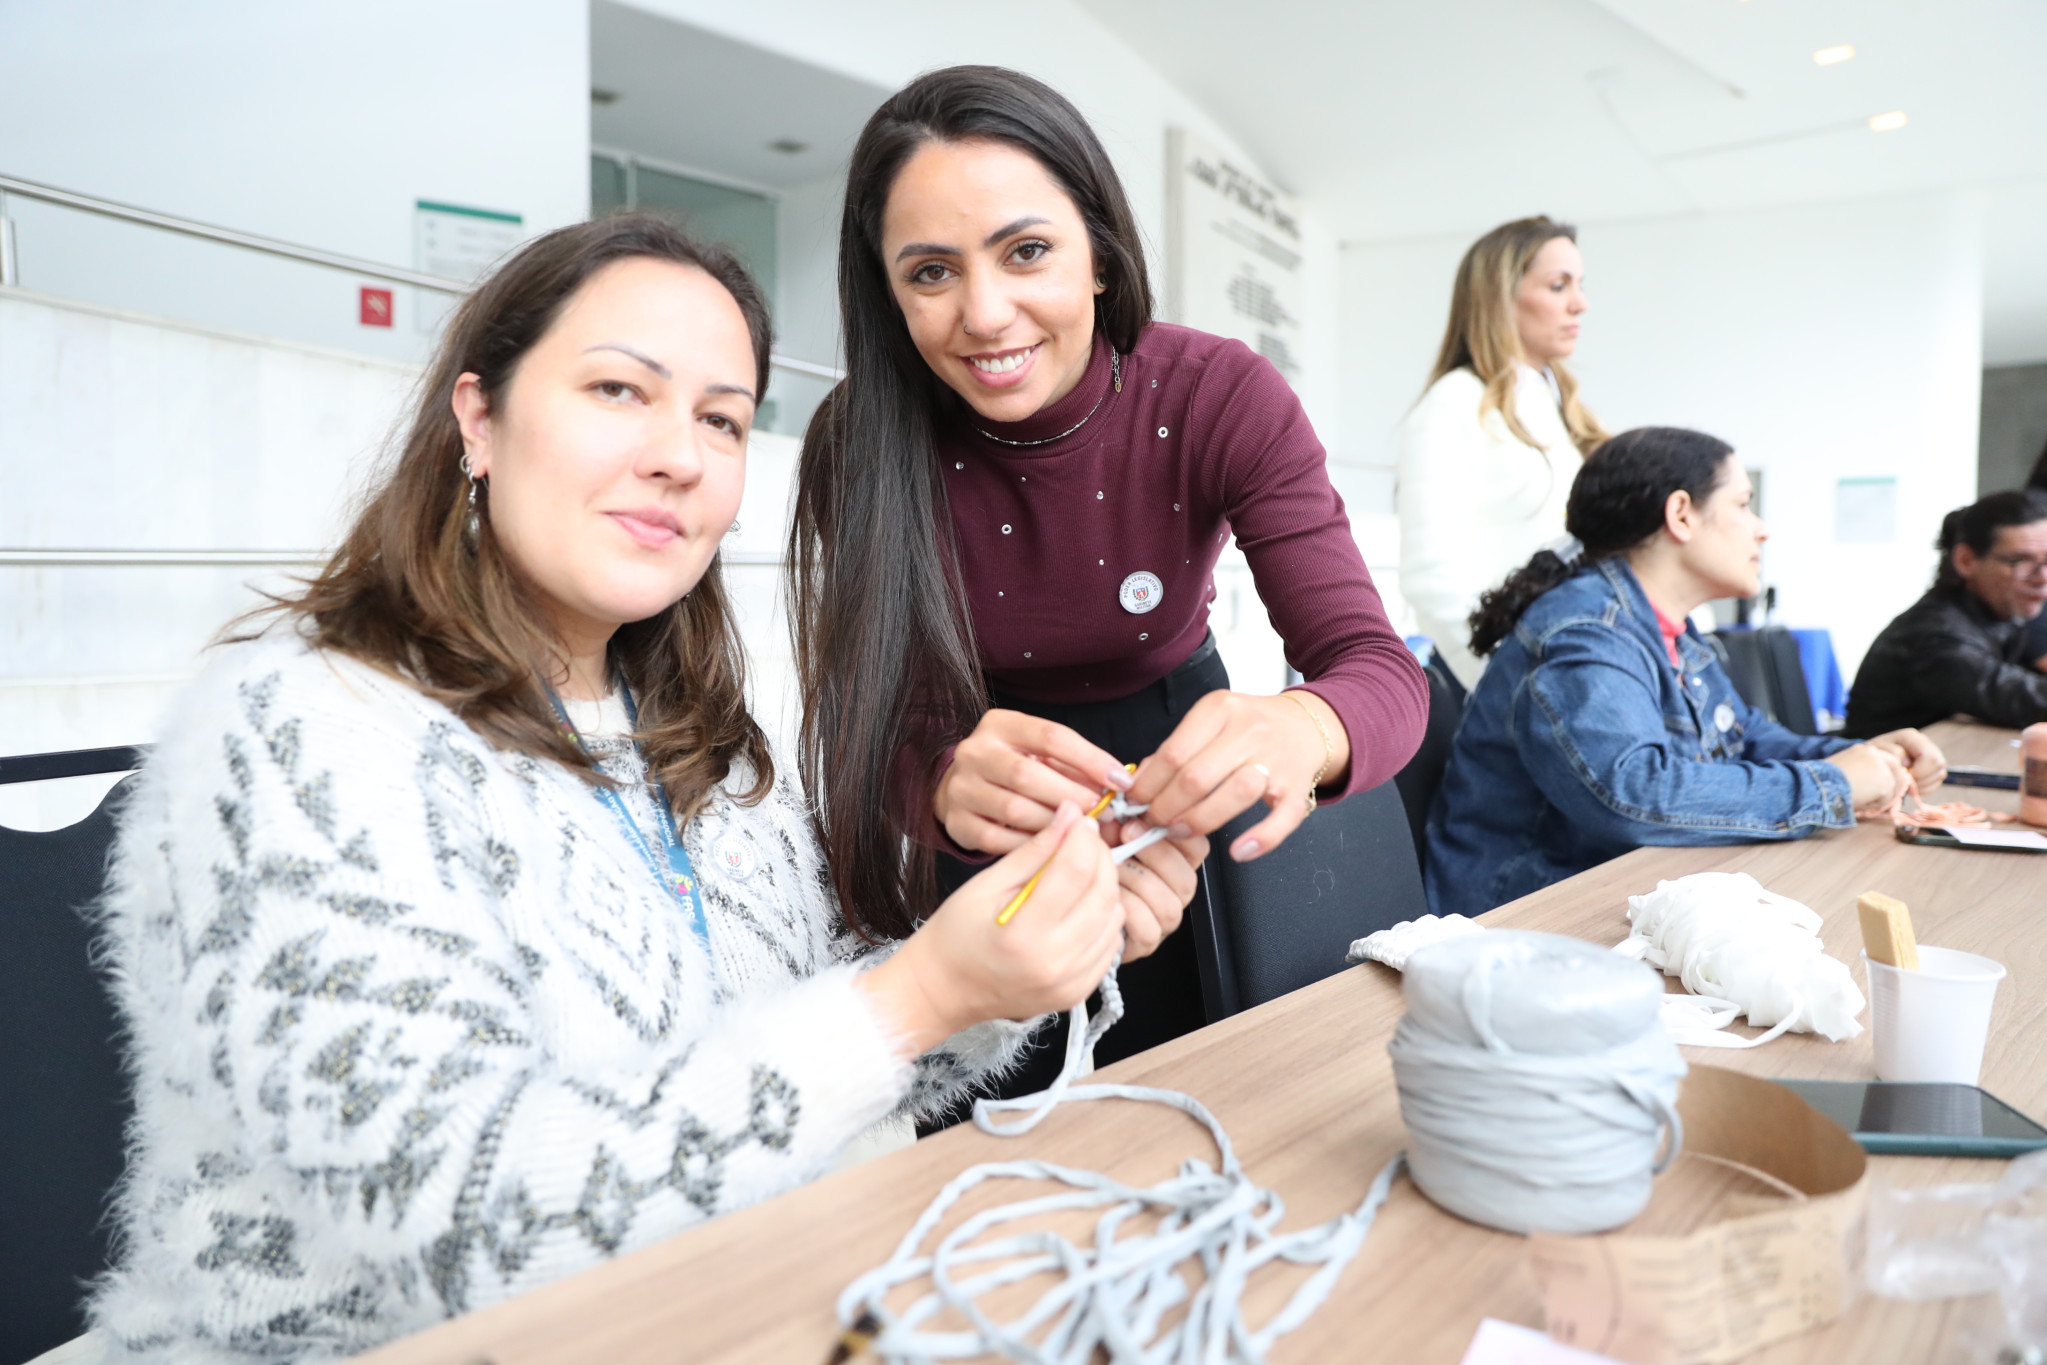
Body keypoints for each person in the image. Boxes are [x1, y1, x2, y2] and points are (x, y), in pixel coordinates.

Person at [87, 215, 1207, 1360]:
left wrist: (1016, 959)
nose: (682, 454)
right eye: (621, 390)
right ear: (478, 420)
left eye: (721, 419)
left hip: (722, 1315)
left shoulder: (709, 745)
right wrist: (916, 994)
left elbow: (817, 1084)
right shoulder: (298, 731)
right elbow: (468, 1229)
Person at [790, 66, 1426, 1097]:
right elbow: (874, 727)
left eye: (1026, 251)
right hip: (984, 806)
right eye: (930, 273)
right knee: (994, 1146)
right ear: (887, 291)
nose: (986, 315)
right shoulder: (856, 444)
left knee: (1214, 1103)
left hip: (1182, 792)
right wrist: (939, 784)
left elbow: (1379, 673)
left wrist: (1301, 731)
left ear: (1098, 253)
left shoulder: (1218, 392)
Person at [1426, 426, 1944, 916]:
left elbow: (1742, 736)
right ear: (1681, 514)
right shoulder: (1587, 629)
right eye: (1743, 505)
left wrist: (1864, 756)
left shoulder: (1665, 625)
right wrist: (1829, 785)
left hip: (1616, 888)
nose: (1762, 529)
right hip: (1520, 914)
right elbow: (1632, 795)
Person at [1397, 216, 1610, 688]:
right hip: (1517, 686)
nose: (1580, 303)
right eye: (1558, 286)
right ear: (1500, 298)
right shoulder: (1454, 404)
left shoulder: (1562, 407)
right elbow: (1433, 578)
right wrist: (1508, 682)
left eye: (1579, 285)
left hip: (1574, 670)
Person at [1844, 488, 2047, 736]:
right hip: (1885, 769)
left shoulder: (1996, 616)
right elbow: (2024, 699)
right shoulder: (1936, 634)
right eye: (2020, 561)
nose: (2042, 577)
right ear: (1966, 561)